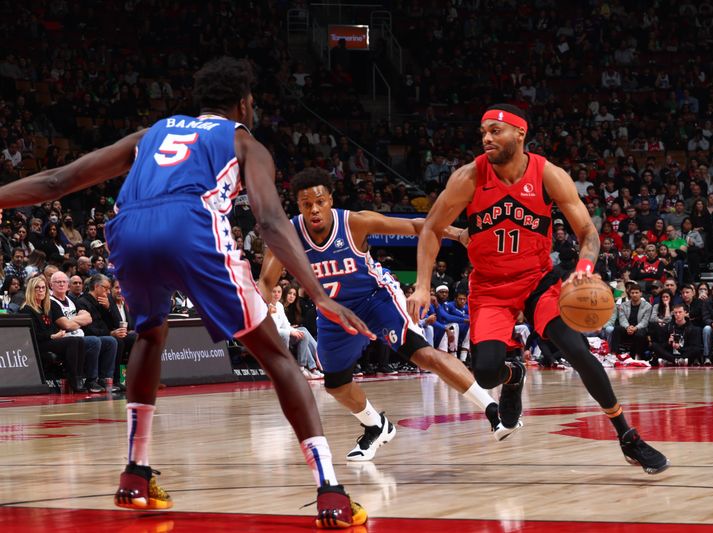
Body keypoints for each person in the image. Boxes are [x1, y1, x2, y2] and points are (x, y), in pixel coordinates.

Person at [0, 57, 373, 529]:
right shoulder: (243, 139)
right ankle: (330, 492)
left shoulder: (150, 133)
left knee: (150, 335)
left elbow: (59, 182)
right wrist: (318, 294)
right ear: (243, 103)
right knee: (276, 355)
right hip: (191, 226)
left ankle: (134, 475)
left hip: (128, 228)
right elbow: (270, 220)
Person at [408, 103, 668, 474]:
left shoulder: (548, 174)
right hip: (490, 287)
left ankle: (628, 436)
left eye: (495, 131)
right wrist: (421, 286)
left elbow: (588, 232)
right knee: (485, 372)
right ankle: (514, 375)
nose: (486, 138)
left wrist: (584, 267)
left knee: (577, 350)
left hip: (537, 281)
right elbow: (431, 228)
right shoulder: (469, 177)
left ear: (519, 134)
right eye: (483, 131)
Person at [259, 167, 502, 463]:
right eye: (306, 204)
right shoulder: (287, 236)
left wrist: (456, 234)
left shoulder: (354, 223)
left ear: (330, 200)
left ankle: (491, 408)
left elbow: (413, 226)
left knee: (421, 353)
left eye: (320, 201)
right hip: (335, 314)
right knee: (335, 385)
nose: (314, 209)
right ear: (297, 206)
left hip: (376, 299)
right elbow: (267, 282)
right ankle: (376, 425)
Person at [17, 275, 86, 392]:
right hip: (39, 344)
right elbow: (32, 334)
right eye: (37, 288)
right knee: (73, 341)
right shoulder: (26, 309)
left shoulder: (47, 307)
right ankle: (72, 377)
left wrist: (58, 332)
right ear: (31, 290)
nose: (41, 290)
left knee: (79, 340)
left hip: (51, 340)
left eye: (43, 288)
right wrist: (52, 336)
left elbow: (52, 327)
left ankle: (79, 377)